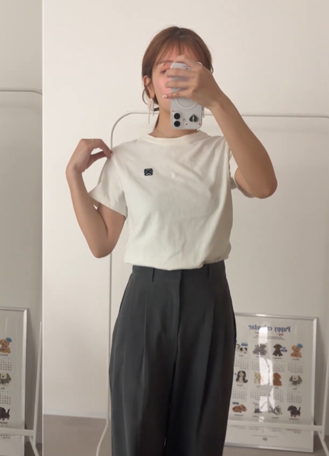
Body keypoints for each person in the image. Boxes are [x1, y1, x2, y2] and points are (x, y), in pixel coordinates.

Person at [65, 26, 277, 456]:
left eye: (191, 68)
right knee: (136, 429)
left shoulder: (221, 151)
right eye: (167, 69)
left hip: (207, 299)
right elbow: (101, 242)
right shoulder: (127, 156)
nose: (179, 77)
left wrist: (218, 101)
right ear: (148, 84)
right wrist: (72, 177)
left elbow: (264, 185)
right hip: (146, 301)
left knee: (199, 435)